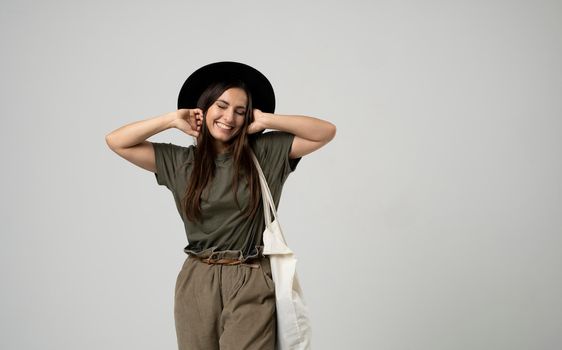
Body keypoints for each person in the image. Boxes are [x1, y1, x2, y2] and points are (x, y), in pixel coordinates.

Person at [105, 61, 336, 350]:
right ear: (203, 109)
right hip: (197, 278)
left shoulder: (265, 153)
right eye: (221, 106)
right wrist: (172, 120)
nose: (230, 117)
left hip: (250, 274)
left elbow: (325, 131)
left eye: (240, 111)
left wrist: (266, 121)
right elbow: (116, 141)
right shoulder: (180, 162)